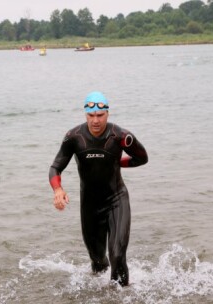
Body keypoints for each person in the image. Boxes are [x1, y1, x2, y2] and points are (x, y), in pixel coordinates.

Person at [48, 91, 148, 286]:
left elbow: (142, 158)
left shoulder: (120, 136)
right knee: (98, 261)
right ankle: (101, 294)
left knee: (117, 256)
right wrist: (58, 190)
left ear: (107, 114)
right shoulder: (74, 137)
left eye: (100, 115)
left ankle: (121, 296)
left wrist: (118, 163)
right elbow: (55, 167)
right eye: (91, 115)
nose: (95, 120)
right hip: (90, 206)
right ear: (85, 114)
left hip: (117, 199)